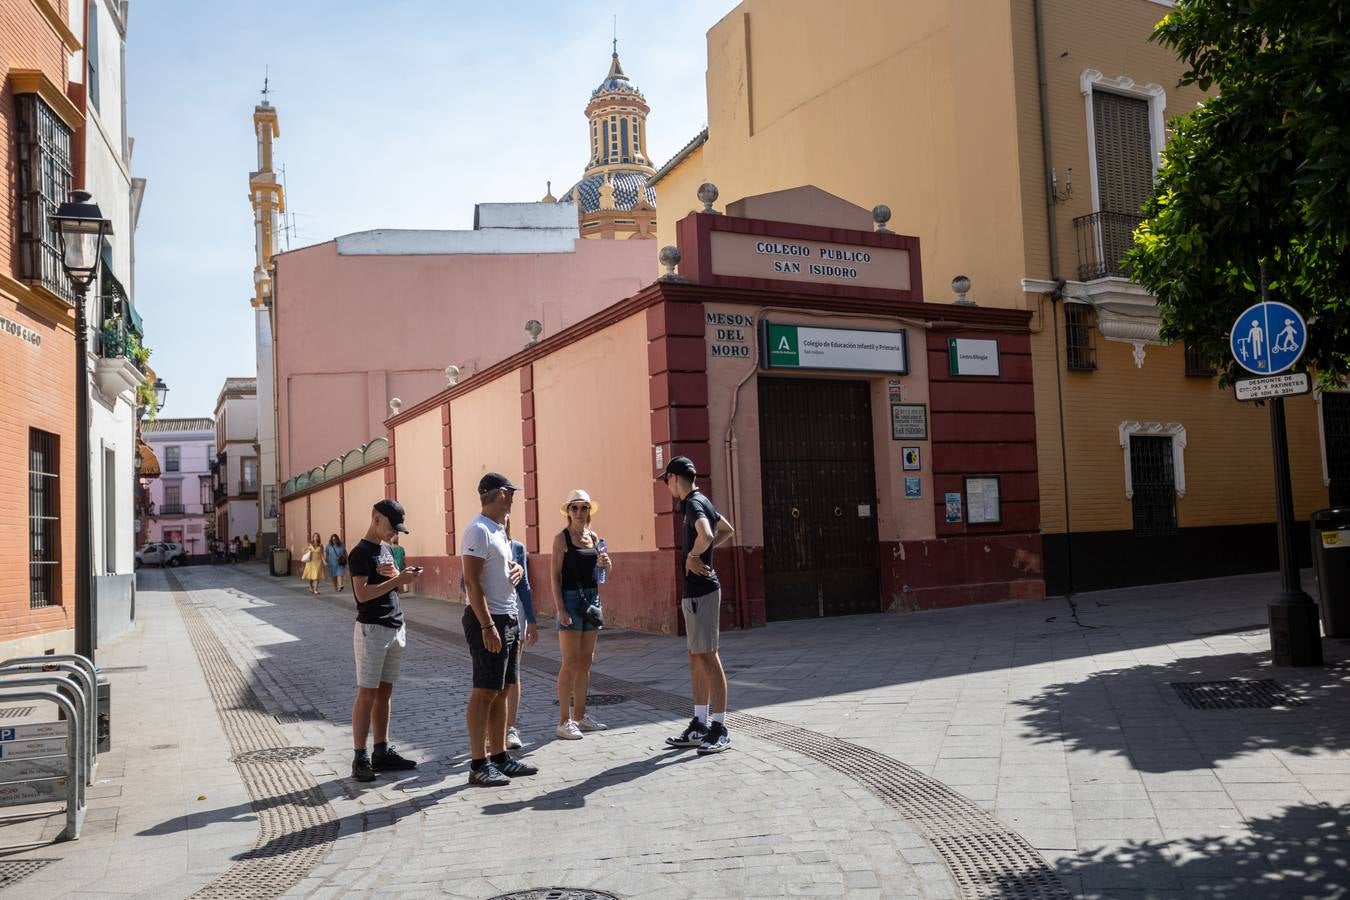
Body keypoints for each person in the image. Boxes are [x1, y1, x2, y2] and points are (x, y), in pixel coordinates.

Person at [461, 472, 535, 786]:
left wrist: (515, 570)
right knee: (484, 691)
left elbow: (497, 570)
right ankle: (478, 764)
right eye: (512, 494)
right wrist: (487, 624)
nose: (515, 499)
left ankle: (500, 756)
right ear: (502, 493)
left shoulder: (499, 530)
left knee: (503, 691)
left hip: (508, 617)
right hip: (488, 619)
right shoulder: (477, 530)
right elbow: (472, 583)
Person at [659, 456, 736, 754]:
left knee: (709, 658)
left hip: (702, 591)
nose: (668, 487)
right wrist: (704, 551)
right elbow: (725, 530)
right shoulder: (702, 501)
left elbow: (706, 533)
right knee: (696, 656)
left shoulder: (693, 503)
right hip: (695, 592)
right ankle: (699, 723)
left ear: (675, 478)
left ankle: (719, 727)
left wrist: (695, 555)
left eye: (667, 481)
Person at [346, 499, 420, 782]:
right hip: (372, 630)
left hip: (394, 625)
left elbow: (389, 583)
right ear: (376, 518)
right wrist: (398, 581)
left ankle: (381, 750)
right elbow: (362, 595)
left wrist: (400, 577)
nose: (394, 533)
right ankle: (359, 757)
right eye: (392, 526)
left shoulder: (387, 549)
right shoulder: (360, 553)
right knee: (367, 693)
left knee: (385, 692)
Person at [550, 489, 611, 740]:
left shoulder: (594, 537)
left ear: (589, 511)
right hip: (571, 600)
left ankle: (580, 716)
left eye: (583, 508)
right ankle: (564, 721)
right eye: (574, 508)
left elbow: (601, 576)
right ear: (568, 512)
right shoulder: (561, 539)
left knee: (586, 661)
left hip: (592, 599)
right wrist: (560, 608)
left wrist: (606, 564)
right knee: (570, 662)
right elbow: (554, 576)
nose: (578, 512)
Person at [504, 514, 538, 750]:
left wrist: (532, 620)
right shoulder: (480, 541)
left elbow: (525, 587)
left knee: (514, 673)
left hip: (517, 614)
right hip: (491, 614)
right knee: (495, 677)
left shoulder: (517, 547)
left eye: (507, 518)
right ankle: (491, 729)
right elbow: (466, 583)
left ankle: (511, 728)